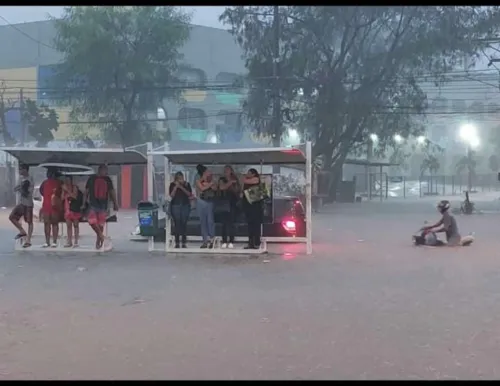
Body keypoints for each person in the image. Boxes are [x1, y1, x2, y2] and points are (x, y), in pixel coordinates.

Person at [83, 164, 119, 250]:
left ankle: (98, 241)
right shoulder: (91, 178)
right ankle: (101, 236)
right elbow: (86, 192)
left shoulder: (107, 179)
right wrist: (83, 203)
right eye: (105, 171)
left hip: (103, 205)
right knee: (92, 221)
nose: (106, 173)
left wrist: (115, 203)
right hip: (92, 203)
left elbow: (112, 192)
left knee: (101, 224)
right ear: (100, 170)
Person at [9, 164, 34, 248]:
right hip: (21, 203)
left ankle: (28, 240)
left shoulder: (30, 179)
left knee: (29, 221)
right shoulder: (21, 179)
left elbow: (27, 193)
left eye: (21, 169)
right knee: (12, 217)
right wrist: (18, 188)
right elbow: (15, 189)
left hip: (28, 204)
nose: (19, 171)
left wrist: (21, 189)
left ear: (25, 170)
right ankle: (22, 231)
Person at [217, 165, 240, 249]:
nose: (226, 171)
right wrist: (230, 183)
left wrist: (233, 185)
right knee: (224, 223)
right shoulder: (222, 179)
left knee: (231, 223)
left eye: (228, 170)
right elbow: (222, 187)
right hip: (223, 203)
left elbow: (237, 191)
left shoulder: (235, 179)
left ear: (231, 171)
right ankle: (224, 240)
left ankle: (231, 240)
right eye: (225, 170)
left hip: (232, 203)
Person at [39, 167, 63, 247]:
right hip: (46, 205)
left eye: (50, 172)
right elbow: (41, 191)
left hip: (54, 205)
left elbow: (61, 193)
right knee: (47, 223)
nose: (48, 174)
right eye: (48, 172)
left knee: (54, 223)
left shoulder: (58, 183)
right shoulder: (44, 182)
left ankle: (54, 241)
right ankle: (47, 241)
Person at [195, 164, 217, 248]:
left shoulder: (211, 180)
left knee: (210, 221)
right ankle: (205, 241)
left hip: (210, 201)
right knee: (203, 222)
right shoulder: (198, 180)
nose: (208, 173)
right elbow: (202, 188)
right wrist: (208, 184)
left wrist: (210, 182)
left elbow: (215, 188)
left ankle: (212, 239)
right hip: (201, 201)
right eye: (207, 172)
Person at [241, 168, 264, 249]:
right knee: (250, 224)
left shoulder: (256, 179)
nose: (247, 174)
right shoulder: (247, 181)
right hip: (248, 205)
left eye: (249, 173)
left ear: (253, 174)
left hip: (256, 205)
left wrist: (244, 178)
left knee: (256, 224)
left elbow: (245, 181)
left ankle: (257, 242)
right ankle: (250, 242)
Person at [169, 171, 193, 248]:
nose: (180, 180)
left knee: (184, 223)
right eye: (178, 178)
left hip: (185, 205)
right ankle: (177, 242)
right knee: (177, 223)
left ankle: (183, 242)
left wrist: (181, 187)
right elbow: (172, 195)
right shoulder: (172, 185)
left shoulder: (187, 184)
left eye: (181, 178)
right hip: (176, 205)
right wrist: (176, 187)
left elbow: (189, 194)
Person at [62, 175, 84, 248]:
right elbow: (62, 198)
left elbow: (75, 196)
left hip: (75, 208)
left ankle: (76, 241)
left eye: (68, 180)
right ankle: (69, 241)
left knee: (75, 225)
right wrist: (63, 190)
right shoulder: (64, 188)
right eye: (66, 180)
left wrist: (68, 191)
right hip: (67, 208)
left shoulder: (74, 187)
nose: (67, 182)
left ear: (71, 181)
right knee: (68, 226)